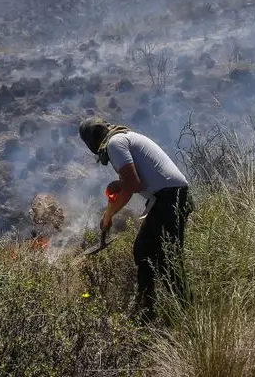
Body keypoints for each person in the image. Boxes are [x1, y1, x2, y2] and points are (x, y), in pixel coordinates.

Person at [79, 116, 193, 323]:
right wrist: (119, 184)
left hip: (169, 199)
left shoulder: (115, 143)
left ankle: (178, 312)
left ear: (92, 143)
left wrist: (108, 215)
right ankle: (149, 308)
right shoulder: (124, 137)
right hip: (170, 197)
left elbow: (133, 185)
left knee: (165, 257)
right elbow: (136, 183)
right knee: (147, 251)